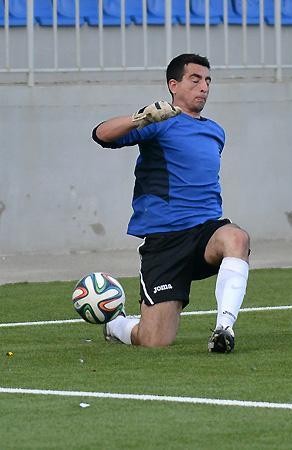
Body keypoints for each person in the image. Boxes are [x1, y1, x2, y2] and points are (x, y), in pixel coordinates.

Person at [92, 53, 249, 353]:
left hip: (204, 234)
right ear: (173, 85)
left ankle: (224, 329)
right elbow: (101, 135)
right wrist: (141, 118)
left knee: (236, 238)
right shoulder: (158, 122)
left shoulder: (216, 131)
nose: (204, 87)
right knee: (154, 341)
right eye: (195, 79)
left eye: (207, 81)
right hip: (165, 242)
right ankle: (117, 325)